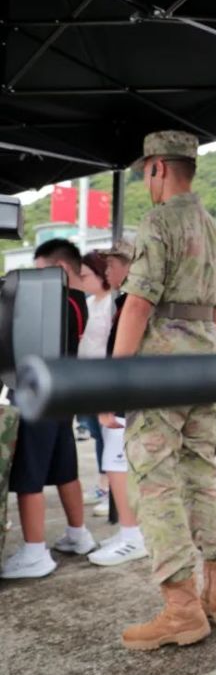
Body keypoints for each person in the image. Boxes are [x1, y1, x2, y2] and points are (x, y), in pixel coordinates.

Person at [111, 130, 216, 649]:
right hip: (206, 367)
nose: (147, 181)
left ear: (158, 168)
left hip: (160, 371)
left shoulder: (160, 221)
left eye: (147, 172)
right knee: (201, 479)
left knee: (155, 484)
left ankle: (182, 608)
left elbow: (138, 303)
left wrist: (115, 377)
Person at [2, 239, 96, 579]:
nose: (32, 280)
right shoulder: (79, 302)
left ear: (61, 270)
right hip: (63, 394)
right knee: (63, 468)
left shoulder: (57, 302)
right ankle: (78, 534)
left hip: (38, 392)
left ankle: (34, 552)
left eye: (39, 272)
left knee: (29, 476)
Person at [88, 241, 148, 567]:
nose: (106, 272)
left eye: (111, 265)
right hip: (127, 394)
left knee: (118, 464)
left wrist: (110, 396)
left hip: (128, 396)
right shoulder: (125, 300)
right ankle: (129, 532)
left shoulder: (134, 303)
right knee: (115, 464)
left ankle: (131, 536)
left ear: (128, 265)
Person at [78, 251, 115, 516]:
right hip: (88, 377)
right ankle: (104, 483)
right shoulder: (89, 303)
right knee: (95, 431)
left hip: (106, 377)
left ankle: (110, 486)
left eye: (85, 275)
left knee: (108, 435)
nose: (82, 280)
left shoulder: (113, 303)